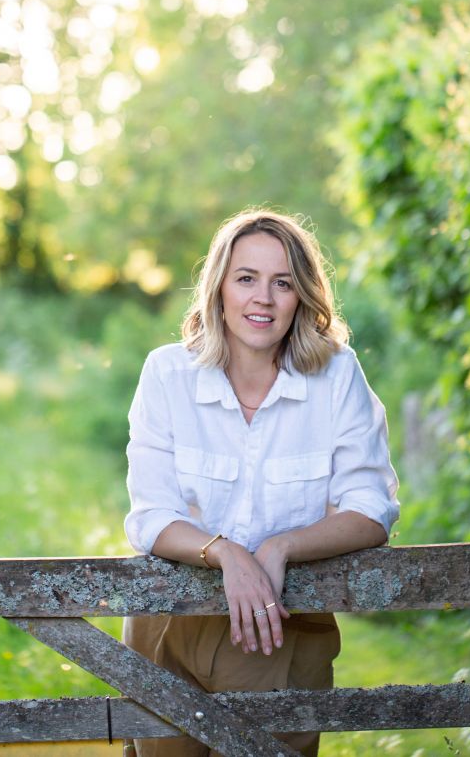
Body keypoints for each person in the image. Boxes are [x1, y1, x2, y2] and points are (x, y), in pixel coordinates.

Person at [123, 209, 399, 756]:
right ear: (219, 287)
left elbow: (371, 508)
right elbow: (151, 515)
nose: (263, 299)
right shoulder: (167, 374)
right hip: (167, 627)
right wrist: (226, 554)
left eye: (283, 283)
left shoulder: (337, 376)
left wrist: (281, 547)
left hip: (281, 633)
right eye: (246, 278)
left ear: (303, 296)